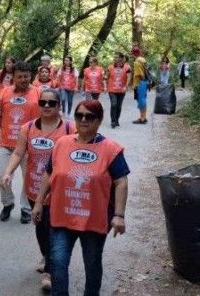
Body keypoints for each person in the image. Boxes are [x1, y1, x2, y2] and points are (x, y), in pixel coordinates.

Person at [31, 100, 129, 296]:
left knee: (92, 263)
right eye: (79, 116)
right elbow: (48, 174)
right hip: (61, 216)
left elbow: (121, 182)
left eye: (89, 116)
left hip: (93, 219)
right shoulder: (62, 144)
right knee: (57, 262)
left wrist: (119, 215)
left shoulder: (111, 149)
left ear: (99, 120)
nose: (83, 120)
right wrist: (39, 203)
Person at [0, 89, 76, 292]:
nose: (47, 106)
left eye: (52, 103)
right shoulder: (28, 127)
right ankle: (46, 255)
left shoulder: (69, 129)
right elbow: (18, 152)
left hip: (58, 191)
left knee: (53, 229)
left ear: (60, 105)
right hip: (33, 189)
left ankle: (49, 270)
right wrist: (8, 172)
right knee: (40, 228)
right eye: (43, 102)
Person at [0, 61, 41, 223]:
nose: (24, 79)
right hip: (7, 143)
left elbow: (46, 116)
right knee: (0, 176)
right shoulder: (4, 93)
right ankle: (7, 203)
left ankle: (26, 208)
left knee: (29, 178)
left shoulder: (38, 93)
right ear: (14, 77)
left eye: (26, 76)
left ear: (30, 76)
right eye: (20, 77)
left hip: (29, 145)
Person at [106, 52, 130, 128]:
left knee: (119, 106)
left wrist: (126, 87)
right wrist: (104, 82)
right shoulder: (110, 67)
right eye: (114, 57)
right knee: (113, 104)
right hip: (112, 89)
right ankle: (113, 121)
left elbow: (129, 77)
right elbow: (106, 76)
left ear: (121, 58)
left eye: (116, 57)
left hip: (121, 90)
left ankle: (116, 120)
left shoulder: (126, 68)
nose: (115, 58)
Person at [132, 51, 150, 124]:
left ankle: (142, 118)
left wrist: (136, 84)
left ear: (134, 54)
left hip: (139, 82)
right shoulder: (143, 60)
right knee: (143, 99)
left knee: (140, 100)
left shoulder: (137, 62)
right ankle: (144, 117)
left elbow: (140, 74)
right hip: (145, 82)